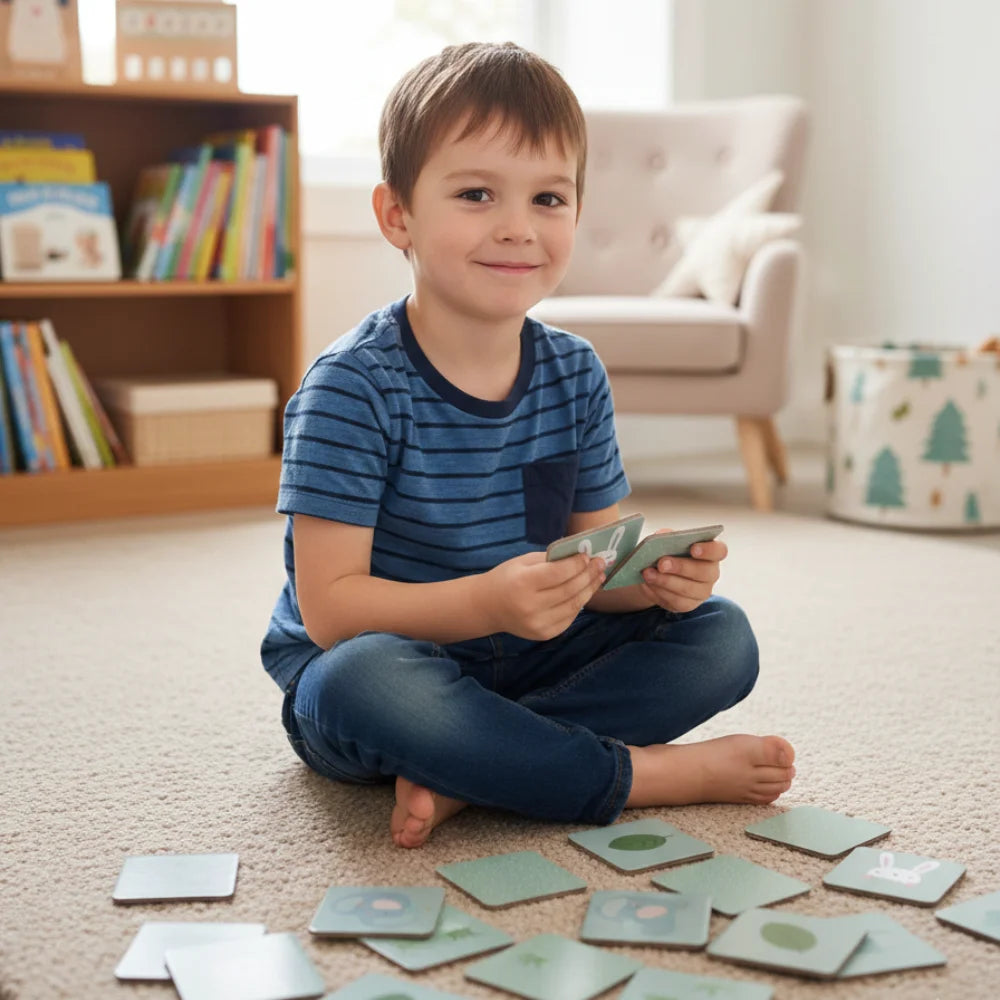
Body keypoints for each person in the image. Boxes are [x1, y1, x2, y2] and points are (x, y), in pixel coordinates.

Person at [261, 41, 795, 849]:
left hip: (531, 654)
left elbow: (594, 568)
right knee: (359, 684)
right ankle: (645, 776)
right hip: (393, 664)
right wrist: (482, 602)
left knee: (722, 638)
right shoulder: (351, 387)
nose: (518, 228)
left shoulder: (574, 371)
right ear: (396, 214)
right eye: (477, 194)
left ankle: (474, 771)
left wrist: (650, 582)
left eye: (548, 198)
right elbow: (332, 612)